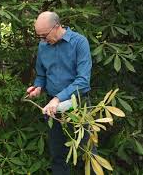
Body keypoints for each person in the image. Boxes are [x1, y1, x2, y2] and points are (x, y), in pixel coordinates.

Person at [26, 11, 92, 174]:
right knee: (57, 153)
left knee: (87, 151)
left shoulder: (79, 42)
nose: (42, 40)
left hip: (78, 104)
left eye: (44, 35)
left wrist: (58, 98)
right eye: (39, 37)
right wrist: (38, 87)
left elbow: (83, 81)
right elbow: (41, 75)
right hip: (52, 106)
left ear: (57, 27)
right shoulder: (43, 46)